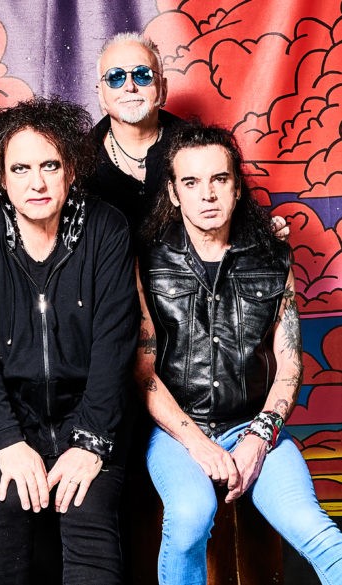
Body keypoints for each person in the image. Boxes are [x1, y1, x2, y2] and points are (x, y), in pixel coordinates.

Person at [135, 121, 342, 585]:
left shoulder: (273, 256)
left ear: (236, 187)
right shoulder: (147, 259)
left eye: (219, 179)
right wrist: (198, 444)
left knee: (314, 529)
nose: (207, 194)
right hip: (176, 431)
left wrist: (258, 438)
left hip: (253, 423)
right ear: (173, 193)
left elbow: (290, 363)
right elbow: (143, 372)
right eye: (191, 182)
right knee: (190, 516)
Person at [0, 96, 139, 585]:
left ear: (70, 169)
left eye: (50, 165)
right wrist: (8, 442)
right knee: (7, 514)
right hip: (6, 418)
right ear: (1, 177)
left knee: (90, 517)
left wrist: (90, 442)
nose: (37, 182)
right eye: (21, 168)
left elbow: (115, 346)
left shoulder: (107, 227)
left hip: (90, 415)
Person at [88, 31, 289, 242]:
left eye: (143, 75)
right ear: (101, 94)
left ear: (163, 88)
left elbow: (237, 217)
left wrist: (266, 233)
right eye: (115, 77)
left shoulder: (200, 146)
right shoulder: (79, 161)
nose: (130, 86)